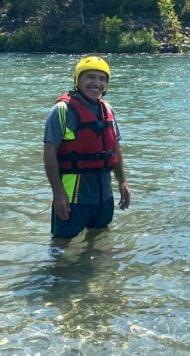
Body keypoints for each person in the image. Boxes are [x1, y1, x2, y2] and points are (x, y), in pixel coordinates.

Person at [43, 55, 131, 241]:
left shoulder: (107, 109)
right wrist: (58, 193)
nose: (96, 83)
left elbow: (115, 147)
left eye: (101, 79)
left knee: (99, 241)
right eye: (90, 77)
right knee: (61, 247)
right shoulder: (62, 110)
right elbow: (49, 152)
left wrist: (122, 182)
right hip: (73, 198)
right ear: (78, 80)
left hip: (103, 196)